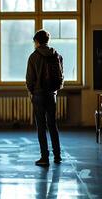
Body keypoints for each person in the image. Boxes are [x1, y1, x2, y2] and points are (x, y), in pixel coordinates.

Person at [26, 29, 63, 167]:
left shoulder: (33, 57)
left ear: (36, 41)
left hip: (39, 94)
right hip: (52, 94)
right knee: (53, 125)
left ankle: (44, 157)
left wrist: (31, 91)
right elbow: (61, 75)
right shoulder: (56, 55)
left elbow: (30, 78)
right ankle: (58, 156)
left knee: (41, 127)